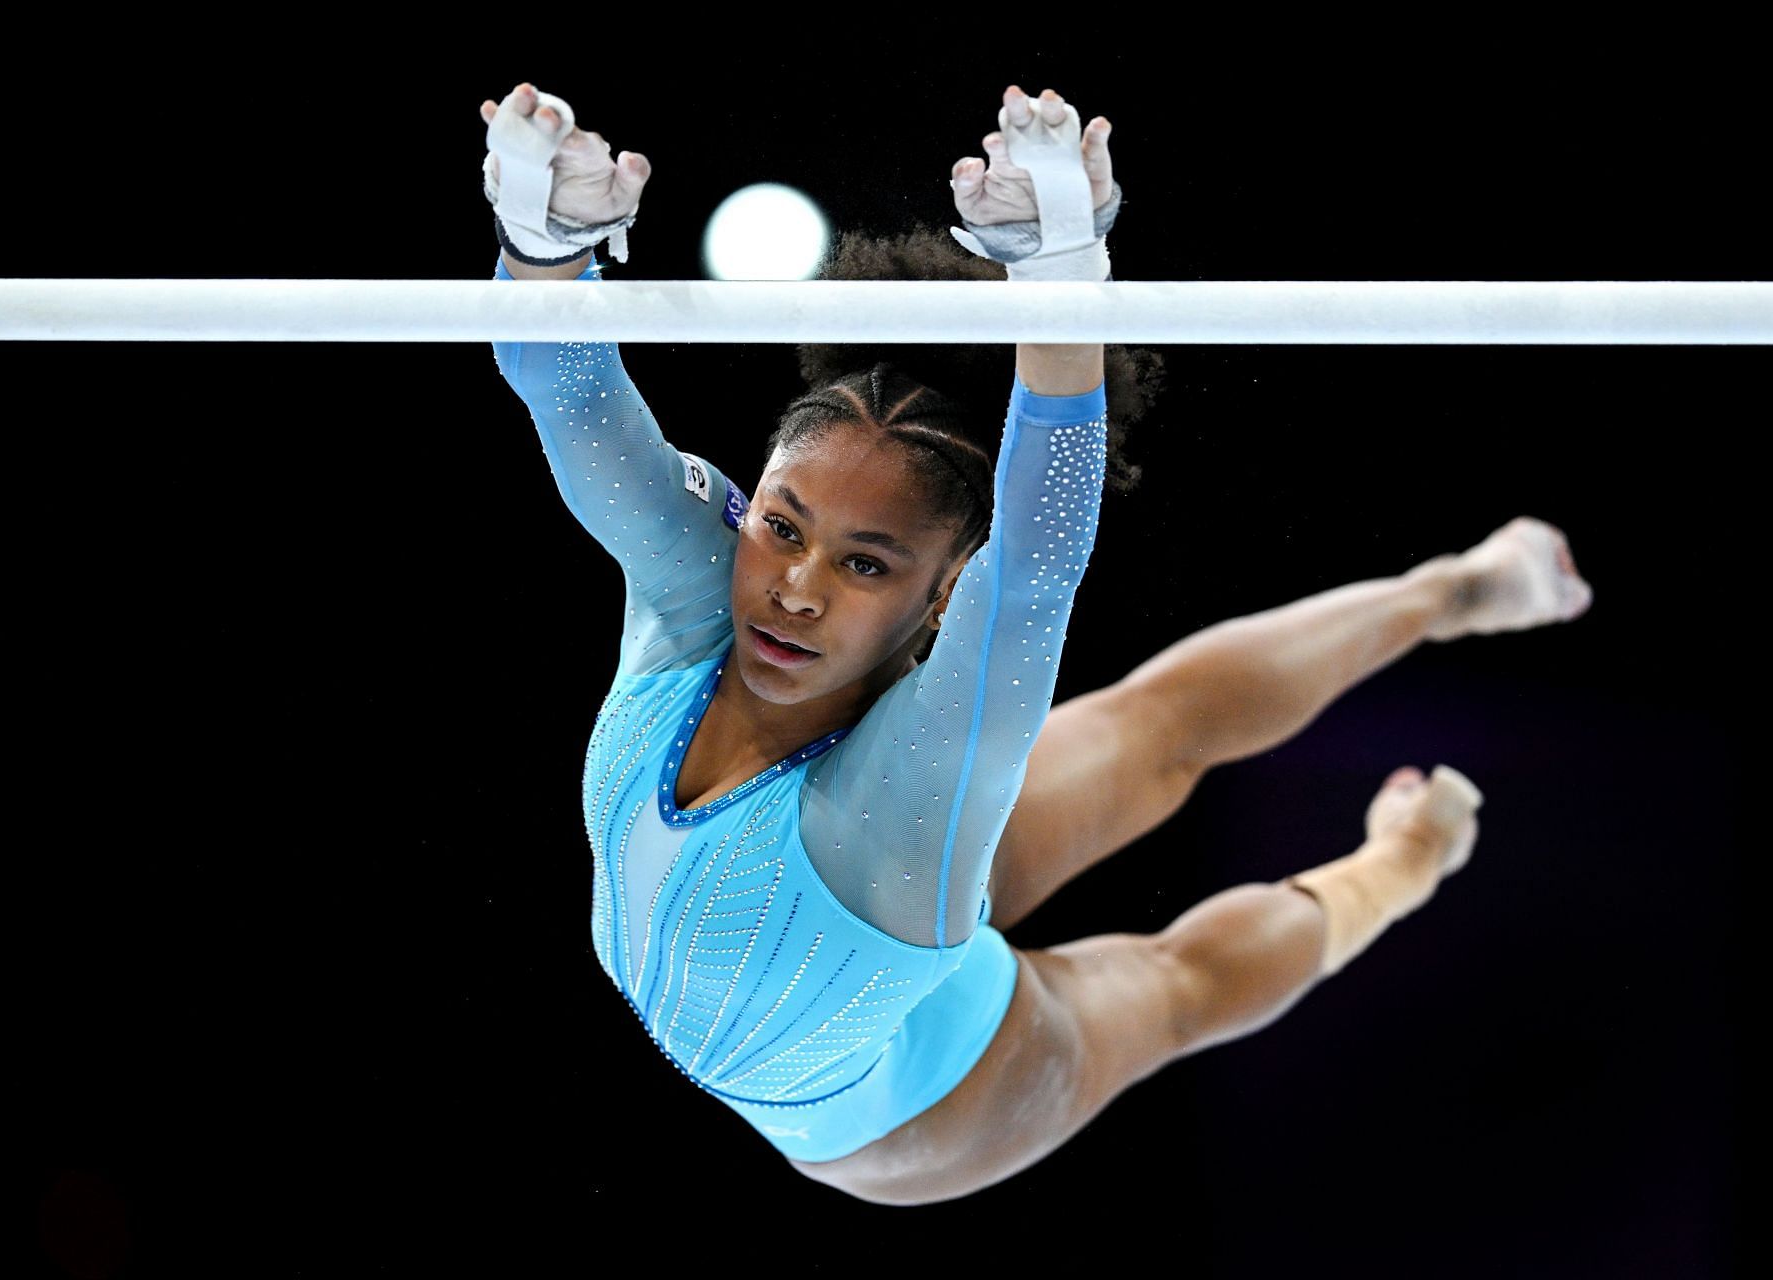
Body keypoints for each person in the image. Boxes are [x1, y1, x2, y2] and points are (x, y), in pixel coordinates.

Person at [479, 80, 1594, 1205]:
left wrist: (1063, 288)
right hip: (866, 904)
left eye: (867, 562)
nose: (795, 589)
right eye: (782, 526)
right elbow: (568, 393)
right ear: (752, 501)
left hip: (937, 1084)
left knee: (1170, 964)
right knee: (1137, 742)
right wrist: (544, 253)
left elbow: (1037, 568)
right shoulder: (701, 594)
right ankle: (1445, 669)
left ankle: (1414, 777)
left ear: (942, 593)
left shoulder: (914, 779)